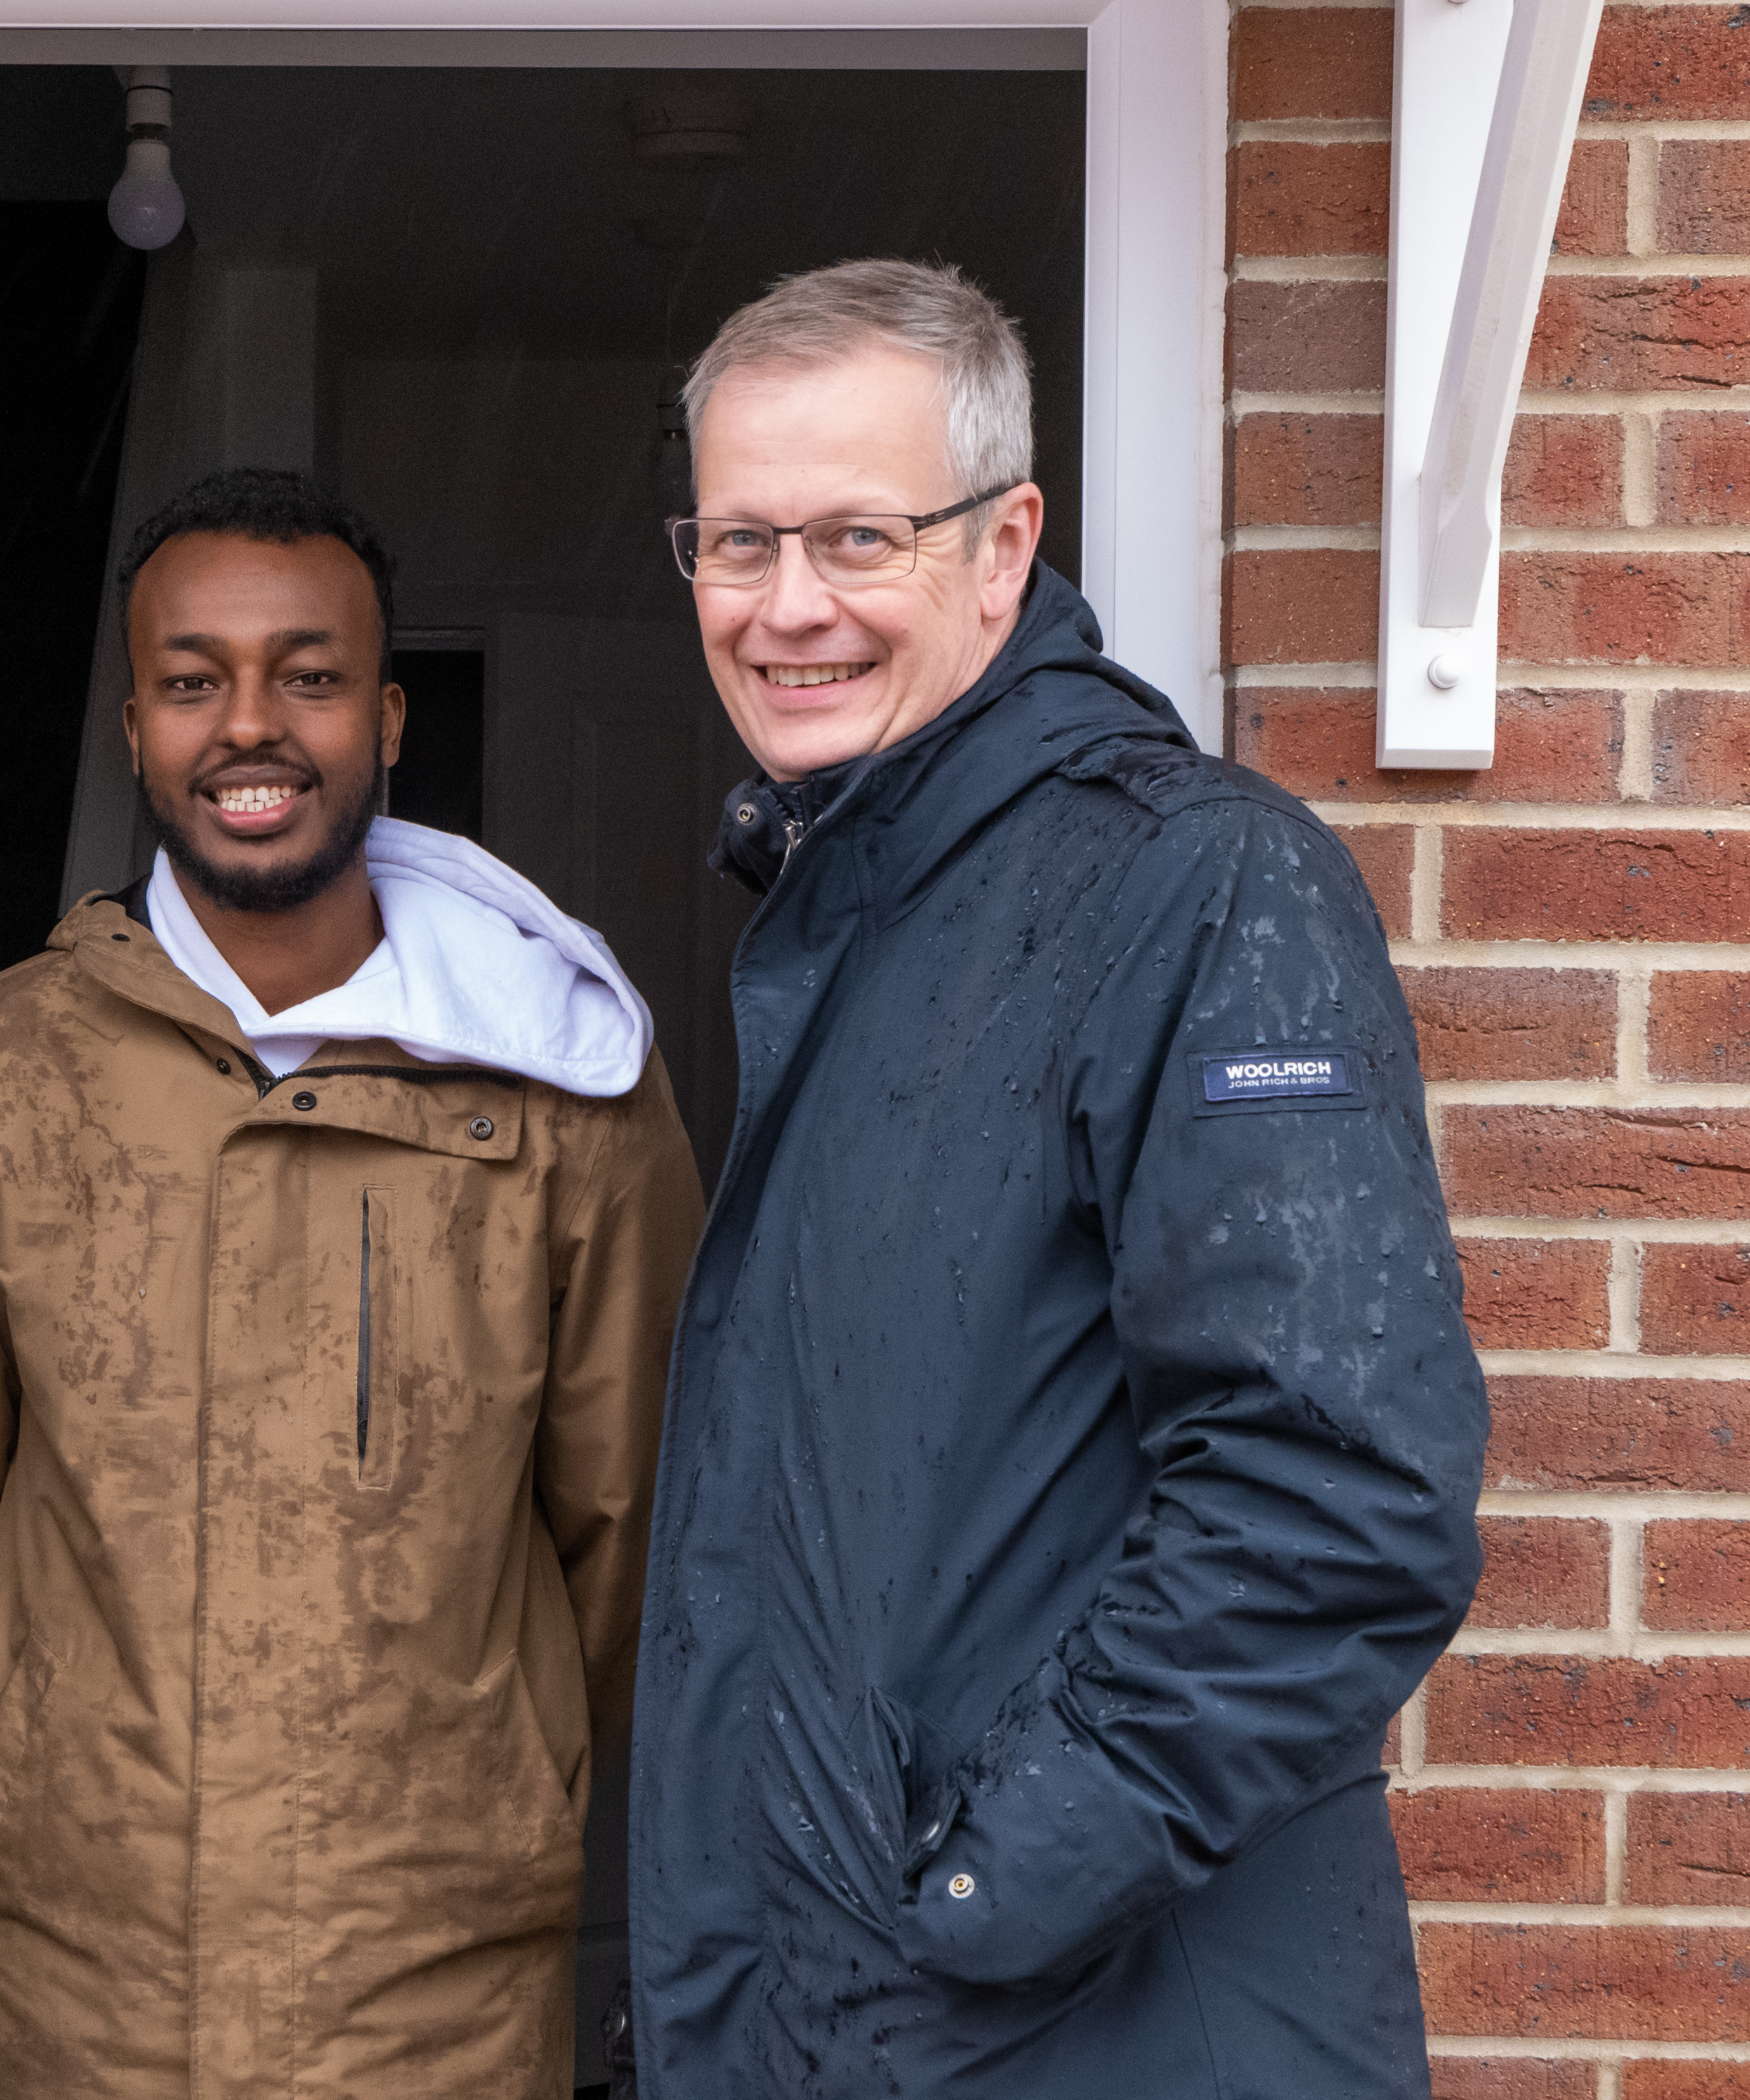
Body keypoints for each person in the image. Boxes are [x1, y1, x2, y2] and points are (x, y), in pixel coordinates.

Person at [624, 260, 1488, 2096]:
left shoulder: (1188, 886)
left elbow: (1333, 1496)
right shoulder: (850, 919)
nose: (787, 607)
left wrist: (969, 1891)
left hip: (1085, 2030)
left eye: (859, 537)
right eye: (736, 541)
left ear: (1003, 544)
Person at [0, 468, 704, 2096]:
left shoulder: (563, 1079)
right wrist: (74, 1739)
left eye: (307, 677)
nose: (252, 725)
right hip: (82, 1975)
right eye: (194, 680)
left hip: (430, 1978)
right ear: (134, 727)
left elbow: (634, 1525)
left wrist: (480, 1768)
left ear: (388, 720)